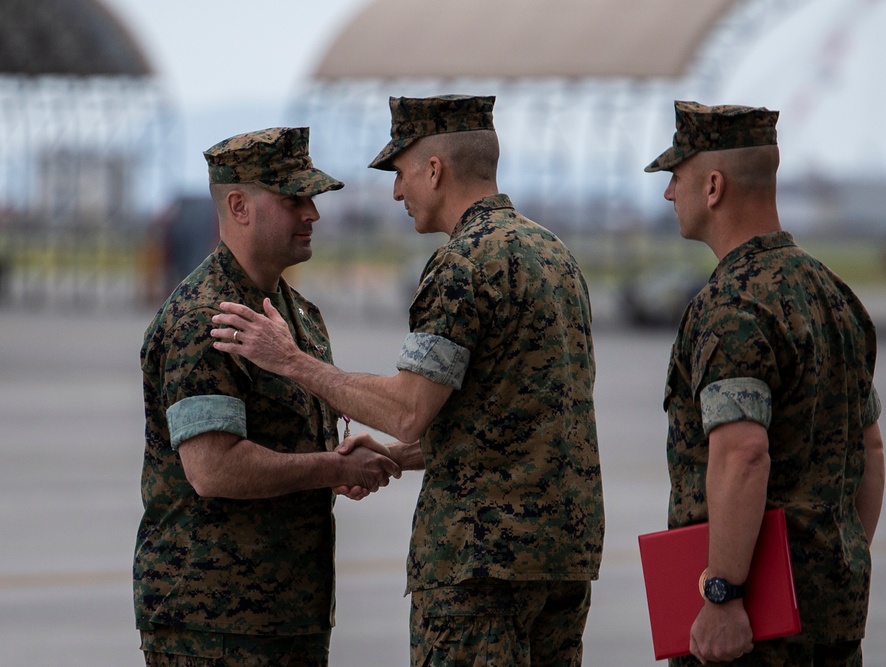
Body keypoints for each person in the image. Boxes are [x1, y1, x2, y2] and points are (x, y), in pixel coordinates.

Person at [209, 95, 606, 666]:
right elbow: (514, 416)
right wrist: (400, 455)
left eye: (400, 174)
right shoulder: (553, 254)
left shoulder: (462, 265)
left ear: (435, 170)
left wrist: (293, 361)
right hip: (563, 556)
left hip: (480, 566)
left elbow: (407, 408)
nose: (397, 193)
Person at [134, 127, 400, 667]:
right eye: (293, 198)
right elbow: (213, 469)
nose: (313, 214)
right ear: (239, 205)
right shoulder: (207, 319)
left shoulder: (297, 316)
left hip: (288, 615)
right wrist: (331, 468)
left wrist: (340, 461)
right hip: (214, 624)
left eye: (313, 198)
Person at [644, 101, 886, 666]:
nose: (666, 193)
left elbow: (743, 453)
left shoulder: (732, 306)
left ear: (712, 187)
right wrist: (832, 561)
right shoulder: (834, 295)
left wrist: (723, 594)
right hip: (829, 618)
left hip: (755, 631)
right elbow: (869, 448)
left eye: (675, 177)